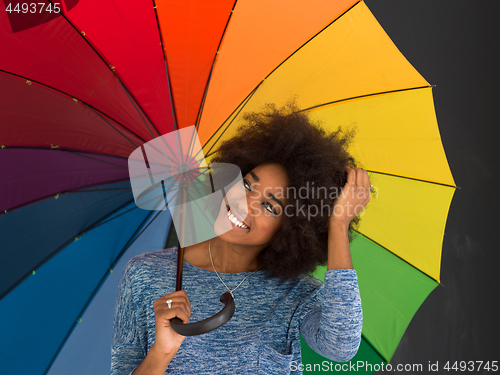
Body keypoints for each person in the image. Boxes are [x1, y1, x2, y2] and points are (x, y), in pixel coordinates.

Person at [111, 103, 370, 374]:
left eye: (269, 206)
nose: (243, 203)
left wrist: (338, 222)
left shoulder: (294, 294)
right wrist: (161, 352)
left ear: (291, 229)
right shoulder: (146, 275)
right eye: (247, 184)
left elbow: (340, 347)